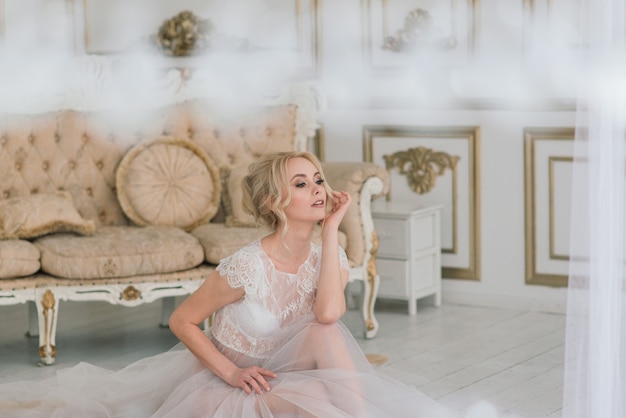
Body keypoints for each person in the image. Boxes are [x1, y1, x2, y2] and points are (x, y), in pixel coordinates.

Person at [0, 151, 458, 417]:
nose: (318, 188)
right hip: (231, 383)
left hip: (289, 373)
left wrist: (332, 228)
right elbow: (182, 320)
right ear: (274, 201)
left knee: (321, 366)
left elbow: (328, 316)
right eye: (302, 184)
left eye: (318, 179)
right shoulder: (247, 265)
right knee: (317, 392)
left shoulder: (328, 251)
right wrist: (233, 373)